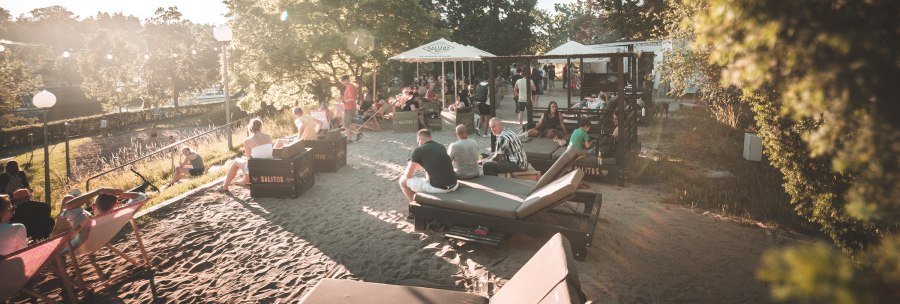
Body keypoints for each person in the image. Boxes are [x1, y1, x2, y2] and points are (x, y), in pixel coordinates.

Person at [399, 130, 459, 213]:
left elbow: (408, 176)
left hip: (440, 188)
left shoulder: (418, 150)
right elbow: (435, 165)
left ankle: (415, 208)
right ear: (430, 137)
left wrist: (410, 165)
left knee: (402, 181)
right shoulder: (441, 146)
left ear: (419, 139)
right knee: (430, 175)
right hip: (454, 184)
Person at [218, 119, 273, 192]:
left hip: (257, 171)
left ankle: (225, 187)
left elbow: (249, 159)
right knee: (248, 164)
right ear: (260, 127)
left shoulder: (248, 140)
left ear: (251, 128)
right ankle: (244, 181)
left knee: (236, 162)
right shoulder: (268, 137)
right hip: (270, 169)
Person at [340, 75, 362, 143]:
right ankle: (358, 133)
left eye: (344, 81)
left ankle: (349, 139)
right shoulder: (348, 87)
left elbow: (352, 98)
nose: (343, 82)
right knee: (348, 123)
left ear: (347, 80)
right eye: (342, 81)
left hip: (350, 108)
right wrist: (343, 99)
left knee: (346, 124)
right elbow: (348, 97)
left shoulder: (350, 87)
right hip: (348, 107)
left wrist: (344, 100)